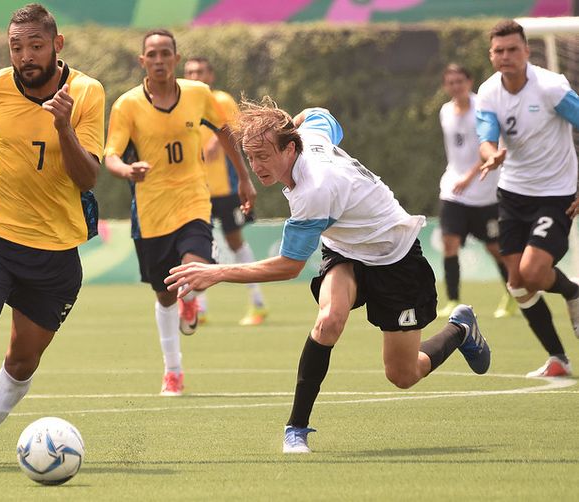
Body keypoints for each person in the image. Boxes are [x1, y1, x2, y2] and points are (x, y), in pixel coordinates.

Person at [165, 98, 491, 453]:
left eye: (264, 155)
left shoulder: (313, 189)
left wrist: (218, 272)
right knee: (328, 322)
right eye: (250, 156)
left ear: (290, 149)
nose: (257, 166)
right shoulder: (309, 136)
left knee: (403, 375)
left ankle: (460, 329)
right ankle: (296, 429)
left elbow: (288, 266)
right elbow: (319, 114)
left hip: (395, 257)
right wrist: (289, 122)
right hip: (347, 252)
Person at [0, 3, 104, 468]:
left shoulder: (87, 92)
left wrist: (63, 124)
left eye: (35, 46)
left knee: (23, 362)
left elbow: (87, 178)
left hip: (56, 254)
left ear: (57, 46)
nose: (26, 56)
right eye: (16, 47)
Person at [104, 30, 256, 396]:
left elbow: (226, 132)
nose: (159, 60)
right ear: (143, 61)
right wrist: (127, 170)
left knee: (192, 271)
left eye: (165, 53)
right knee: (164, 295)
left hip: (193, 201)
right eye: (152, 54)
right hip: (151, 212)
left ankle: (190, 306)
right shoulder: (127, 105)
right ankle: (173, 369)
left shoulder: (198, 95)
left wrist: (244, 179)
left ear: (175, 58)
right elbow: (110, 154)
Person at [477, 19, 579, 378]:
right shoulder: (489, 91)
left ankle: (571, 292)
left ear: (526, 51)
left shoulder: (551, 88)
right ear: (492, 56)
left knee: (534, 273)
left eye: (512, 50)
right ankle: (558, 358)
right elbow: (486, 136)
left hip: (556, 194)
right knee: (517, 282)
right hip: (512, 194)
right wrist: (491, 154)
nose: (506, 56)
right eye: (499, 51)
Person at [183, 56, 268, 326]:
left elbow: (232, 131)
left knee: (234, 242)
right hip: (196, 190)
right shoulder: (181, 102)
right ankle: (200, 309)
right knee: (201, 245)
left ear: (210, 75)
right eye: (189, 72)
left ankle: (258, 303)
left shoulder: (221, 99)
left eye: (200, 71)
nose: (195, 76)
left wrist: (217, 145)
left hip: (225, 188)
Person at [436, 63, 516, 319]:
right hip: (453, 191)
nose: (455, 86)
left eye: (460, 81)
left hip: (484, 193)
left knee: (495, 248)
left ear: (469, 82)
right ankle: (453, 300)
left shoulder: (482, 110)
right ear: (446, 85)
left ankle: (512, 295)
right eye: (451, 82)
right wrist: (459, 178)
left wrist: (470, 178)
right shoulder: (445, 111)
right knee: (450, 244)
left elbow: (490, 147)